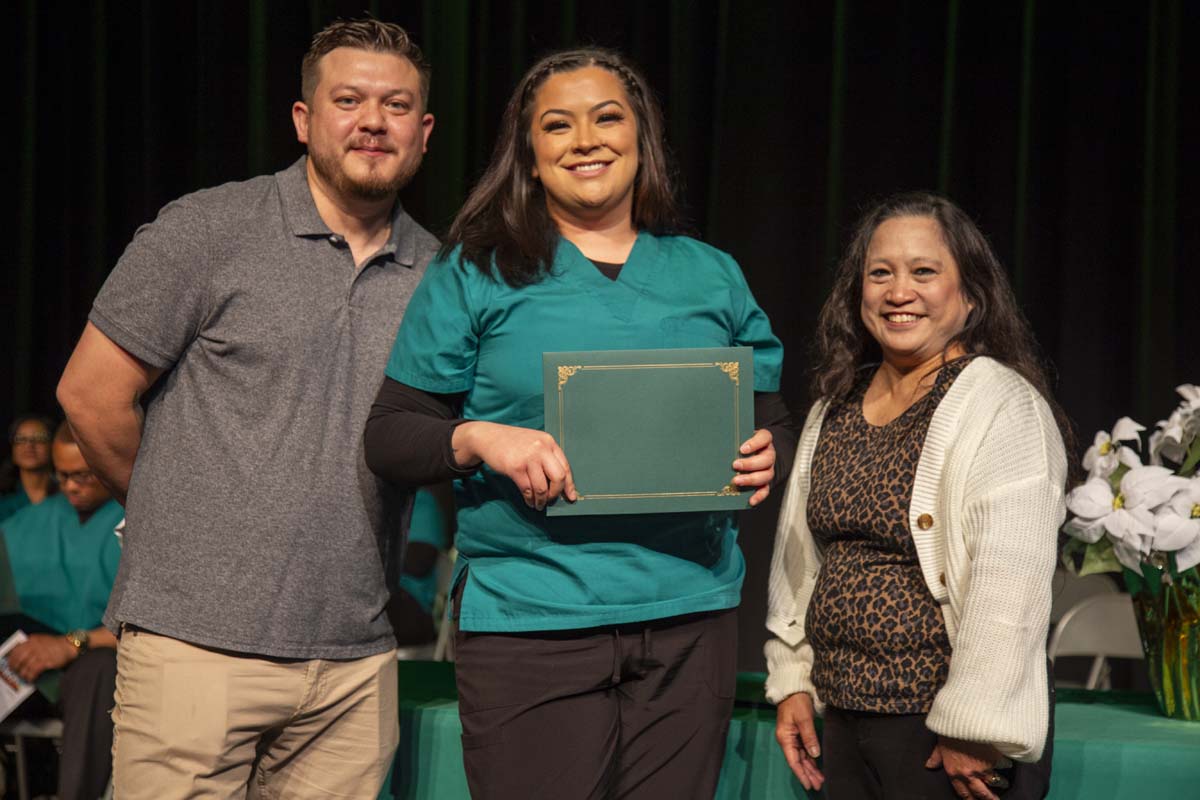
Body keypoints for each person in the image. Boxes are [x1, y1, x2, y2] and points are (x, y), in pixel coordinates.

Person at [364, 47, 796, 799]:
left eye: (607, 117)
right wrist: (480, 438)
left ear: (641, 138)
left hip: (688, 617)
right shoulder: (477, 269)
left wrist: (771, 454)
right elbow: (393, 433)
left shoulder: (709, 272)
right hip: (533, 618)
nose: (585, 139)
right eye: (557, 125)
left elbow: (769, 417)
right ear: (530, 156)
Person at [54, 18, 438, 797]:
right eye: (349, 99)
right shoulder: (207, 230)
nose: (372, 120)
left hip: (354, 663)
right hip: (193, 647)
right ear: (304, 120)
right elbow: (89, 395)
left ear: (423, 132)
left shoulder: (441, 272)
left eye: (395, 106)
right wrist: (175, 510)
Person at [765, 192, 1071, 800]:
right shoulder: (837, 406)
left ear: (971, 297)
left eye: (924, 272)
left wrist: (973, 725)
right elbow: (798, 558)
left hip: (942, 736)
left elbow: (1011, 578)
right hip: (846, 718)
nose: (897, 291)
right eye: (880, 273)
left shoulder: (1002, 407)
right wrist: (793, 676)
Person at [1, 422, 122, 800]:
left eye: (82, 475)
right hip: (23, 662)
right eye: (63, 474)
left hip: (93, 661)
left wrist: (70, 644)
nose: (70, 486)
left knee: (100, 668)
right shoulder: (25, 524)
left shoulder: (134, 524)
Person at [0, 414, 57, 521]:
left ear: (53, 446)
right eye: (21, 439)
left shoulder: (69, 493)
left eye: (40, 438)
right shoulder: (3, 498)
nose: (29, 445)